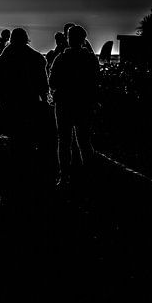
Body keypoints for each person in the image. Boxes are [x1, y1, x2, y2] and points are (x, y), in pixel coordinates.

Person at [48, 25, 99, 184]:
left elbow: (52, 81)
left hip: (64, 104)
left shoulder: (61, 58)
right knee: (84, 141)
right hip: (85, 104)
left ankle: (64, 176)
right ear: (83, 39)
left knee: (64, 142)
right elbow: (96, 82)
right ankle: (90, 174)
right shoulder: (91, 59)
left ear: (68, 39)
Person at [0, 28, 49, 154]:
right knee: (27, 130)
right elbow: (42, 80)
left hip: (10, 99)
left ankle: (18, 156)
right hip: (29, 98)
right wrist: (44, 97)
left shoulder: (5, 55)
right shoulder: (36, 57)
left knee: (14, 131)